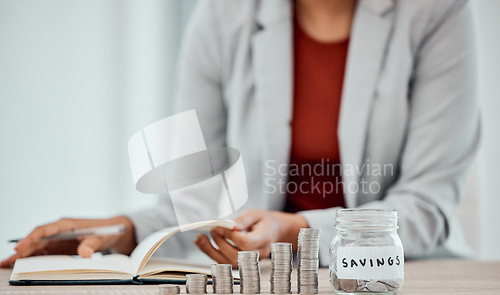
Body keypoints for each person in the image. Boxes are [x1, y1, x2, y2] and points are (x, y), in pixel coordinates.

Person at [1, 0, 479, 268]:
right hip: (254, 285)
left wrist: (300, 233)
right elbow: (192, 205)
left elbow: (427, 206)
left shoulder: (438, 11)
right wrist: (119, 234)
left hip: (397, 279)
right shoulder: (218, 18)